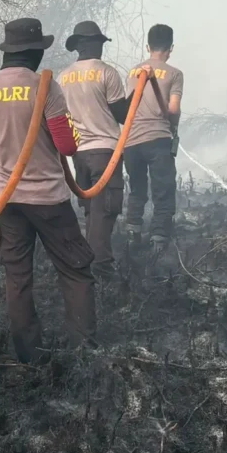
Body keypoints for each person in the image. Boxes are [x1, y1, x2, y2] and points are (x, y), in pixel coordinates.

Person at [0, 18, 96, 363]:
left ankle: (29, 357)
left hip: (6, 204)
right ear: (36, 53)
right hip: (49, 201)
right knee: (75, 270)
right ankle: (83, 352)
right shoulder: (47, 88)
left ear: (8, 53)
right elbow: (68, 146)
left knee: (18, 278)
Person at [58, 21, 147, 280]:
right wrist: (140, 88)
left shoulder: (63, 77)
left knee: (90, 210)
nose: (101, 47)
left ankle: (89, 261)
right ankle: (101, 269)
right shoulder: (106, 72)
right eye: (98, 42)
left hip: (79, 155)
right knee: (104, 211)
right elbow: (122, 114)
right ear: (87, 44)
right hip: (105, 151)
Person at [123, 24, 184, 249]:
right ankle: (159, 240)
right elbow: (174, 109)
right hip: (158, 138)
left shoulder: (132, 72)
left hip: (131, 141)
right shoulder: (175, 74)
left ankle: (132, 232)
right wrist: (173, 129)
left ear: (148, 46)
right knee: (163, 190)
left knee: (137, 188)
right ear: (170, 48)